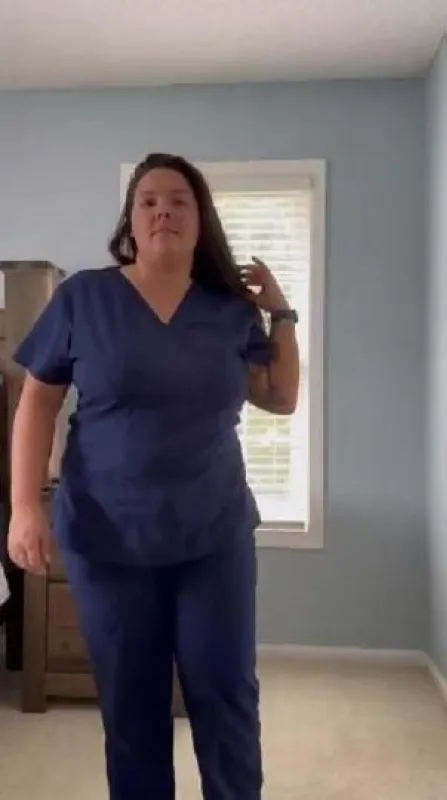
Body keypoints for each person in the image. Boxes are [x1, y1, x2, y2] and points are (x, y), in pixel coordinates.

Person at [7, 153, 300, 800]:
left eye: (178, 200)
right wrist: (24, 504)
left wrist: (281, 314)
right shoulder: (83, 297)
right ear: (131, 222)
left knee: (225, 697)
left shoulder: (228, 310)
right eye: (148, 201)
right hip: (107, 538)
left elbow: (280, 398)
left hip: (212, 536)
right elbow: (37, 401)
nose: (162, 210)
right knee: (131, 708)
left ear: (200, 220)